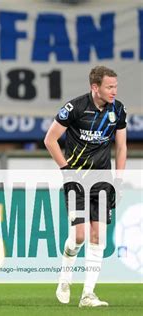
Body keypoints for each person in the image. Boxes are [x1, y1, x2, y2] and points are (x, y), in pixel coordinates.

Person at [44, 66, 127, 307]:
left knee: (97, 236)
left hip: (102, 180)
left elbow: (121, 147)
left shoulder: (118, 110)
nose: (114, 91)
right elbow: (49, 139)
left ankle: (88, 294)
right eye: (109, 87)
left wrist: (119, 180)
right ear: (95, 87)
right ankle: (65, 277)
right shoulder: (75, 108)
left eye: (115, 86)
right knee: (79, 236)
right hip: (76, 180)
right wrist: (65, 169)